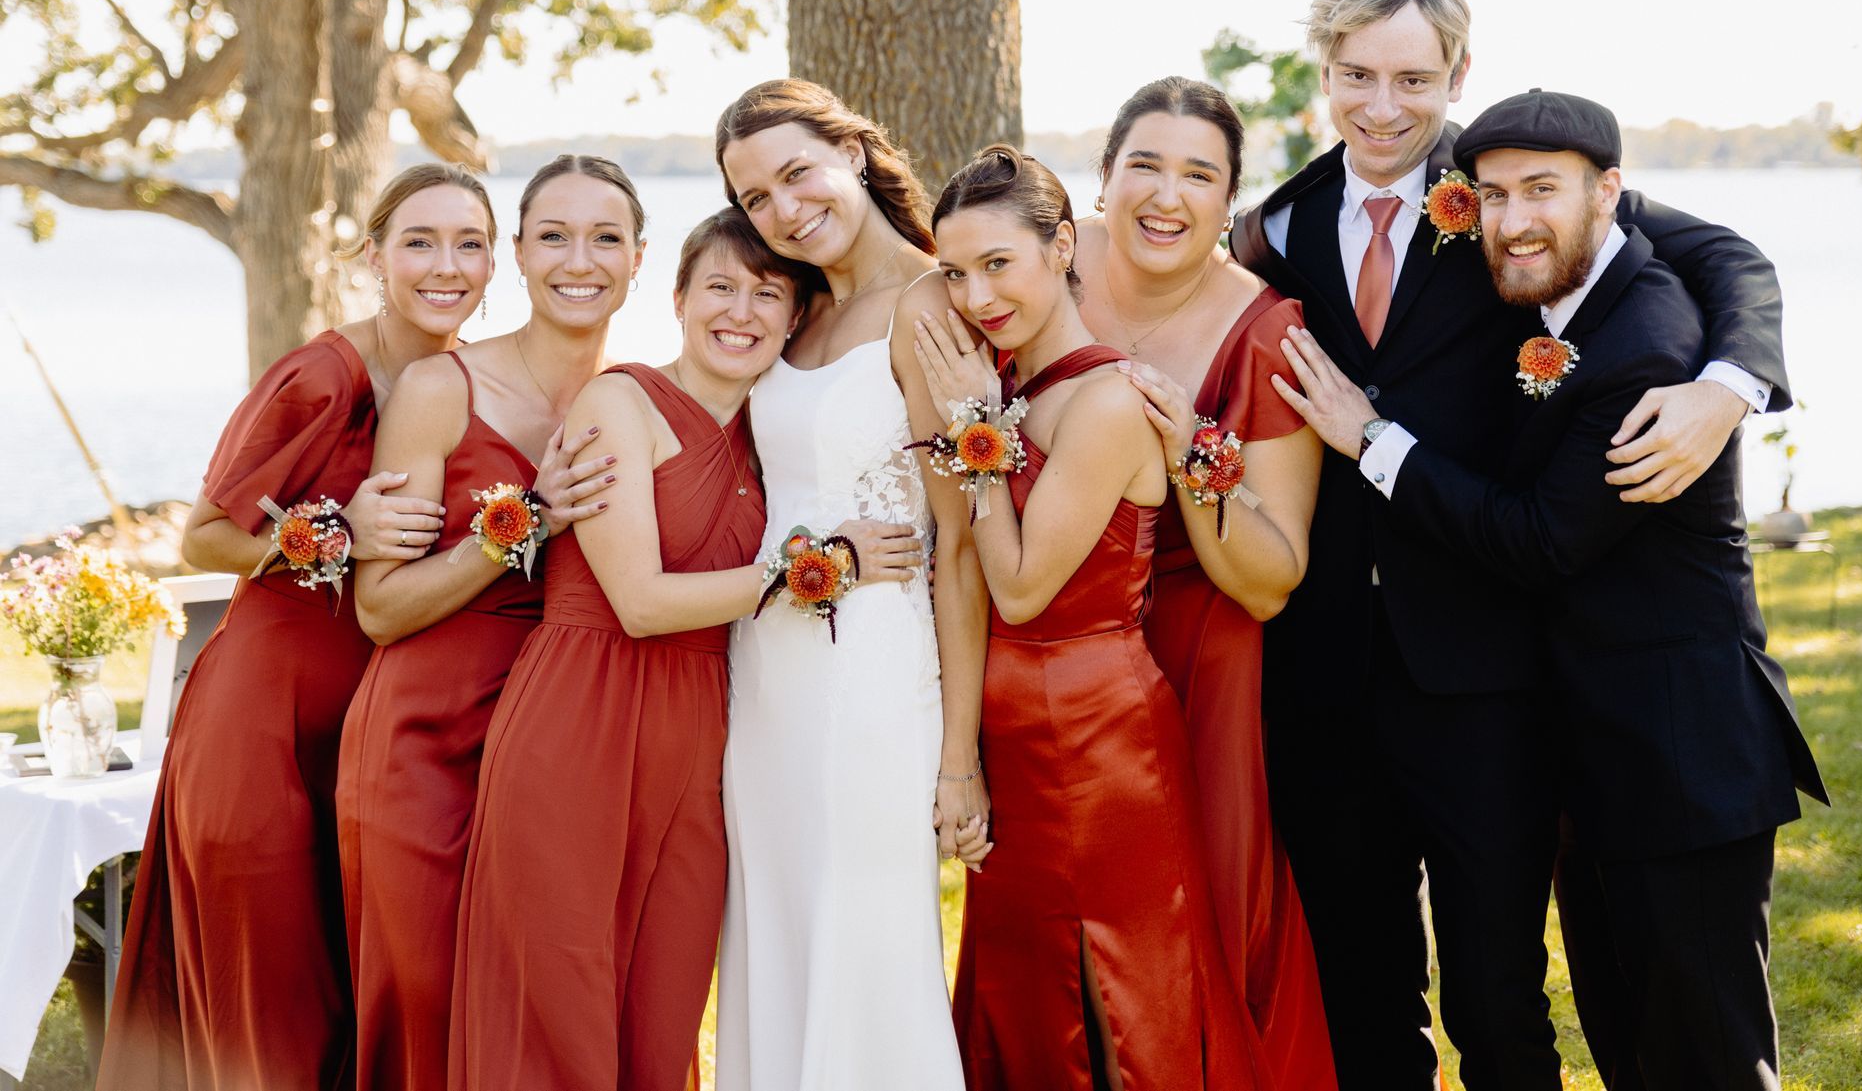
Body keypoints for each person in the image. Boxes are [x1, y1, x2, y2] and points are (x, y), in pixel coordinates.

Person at [1226, 0, 1794, 1089]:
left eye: (1412, 80)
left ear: (1456, 74)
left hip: (1485, 666)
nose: (1382, 107)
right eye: (1354, 76)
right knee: (1362, 987)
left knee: (1496, 992)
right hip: (1325, 669)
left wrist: (1730, 386)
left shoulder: (1511, 187)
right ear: (1322, 74)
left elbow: (1723, 256)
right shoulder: (1274, 228)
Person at [449, 209, 923, 1090]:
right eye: (720, 287)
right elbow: (638, 601)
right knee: (562, 1005)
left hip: (701, 742)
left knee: (663, 1014)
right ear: (676, 297)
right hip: (579, 723)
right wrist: (822, 565)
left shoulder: (770, 439)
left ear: (794, 320)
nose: (740, 311)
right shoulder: (618, 402)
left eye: (767, 293)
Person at [96, 165, 492, 1091]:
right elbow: (204, 533)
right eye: (420, 242)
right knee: (268, 1011)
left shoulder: (466, 383)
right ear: (374, 258)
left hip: (375, 727)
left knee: (360, 1000)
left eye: (468, 243)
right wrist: (335, 532)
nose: (446, 265)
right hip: (263, 726)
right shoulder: (320, 375)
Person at [921, 145, 1265, 1090]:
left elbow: (1024, 587)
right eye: (956, 272)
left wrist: (969, 432)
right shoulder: (1013, 392)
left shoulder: (1108, 398)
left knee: (1117, 992)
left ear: (1061, 244)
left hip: (1097, 731)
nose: (977, 295)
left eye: (999, 264)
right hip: (1016, 725)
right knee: (1028, 985)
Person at [335, 155, 635, 1091]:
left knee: (541, 1010)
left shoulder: (633, 396)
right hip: (423, 741)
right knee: (426, 1006)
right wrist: (526, 522)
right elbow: (380, 607)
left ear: (636, 261)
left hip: (557, 744)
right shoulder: (442, 388)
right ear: (520, 256)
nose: (578, 260)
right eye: (554, 235)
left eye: (605, 238)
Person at [713, 80, 985, 1089]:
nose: (783, 211)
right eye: (755, 199)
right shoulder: (798, 310)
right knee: (777, 938)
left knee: (865, 952)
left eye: (796, 174)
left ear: (855, 153)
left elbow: (958, 548)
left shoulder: (929, 303)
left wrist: (958, 759)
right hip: (767, 681)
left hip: (873, 678)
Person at [1072, 77, 1335, 1087]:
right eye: (1144, 164)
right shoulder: (1045, 266)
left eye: (1198, 175)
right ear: (1102, 181)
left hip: (1196, 659)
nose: (1165, 195)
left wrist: (1191, 452)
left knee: (1194, 929)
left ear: (1230, 203)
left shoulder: (1268, 331)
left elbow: (1272, 579)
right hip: (1045, 640)